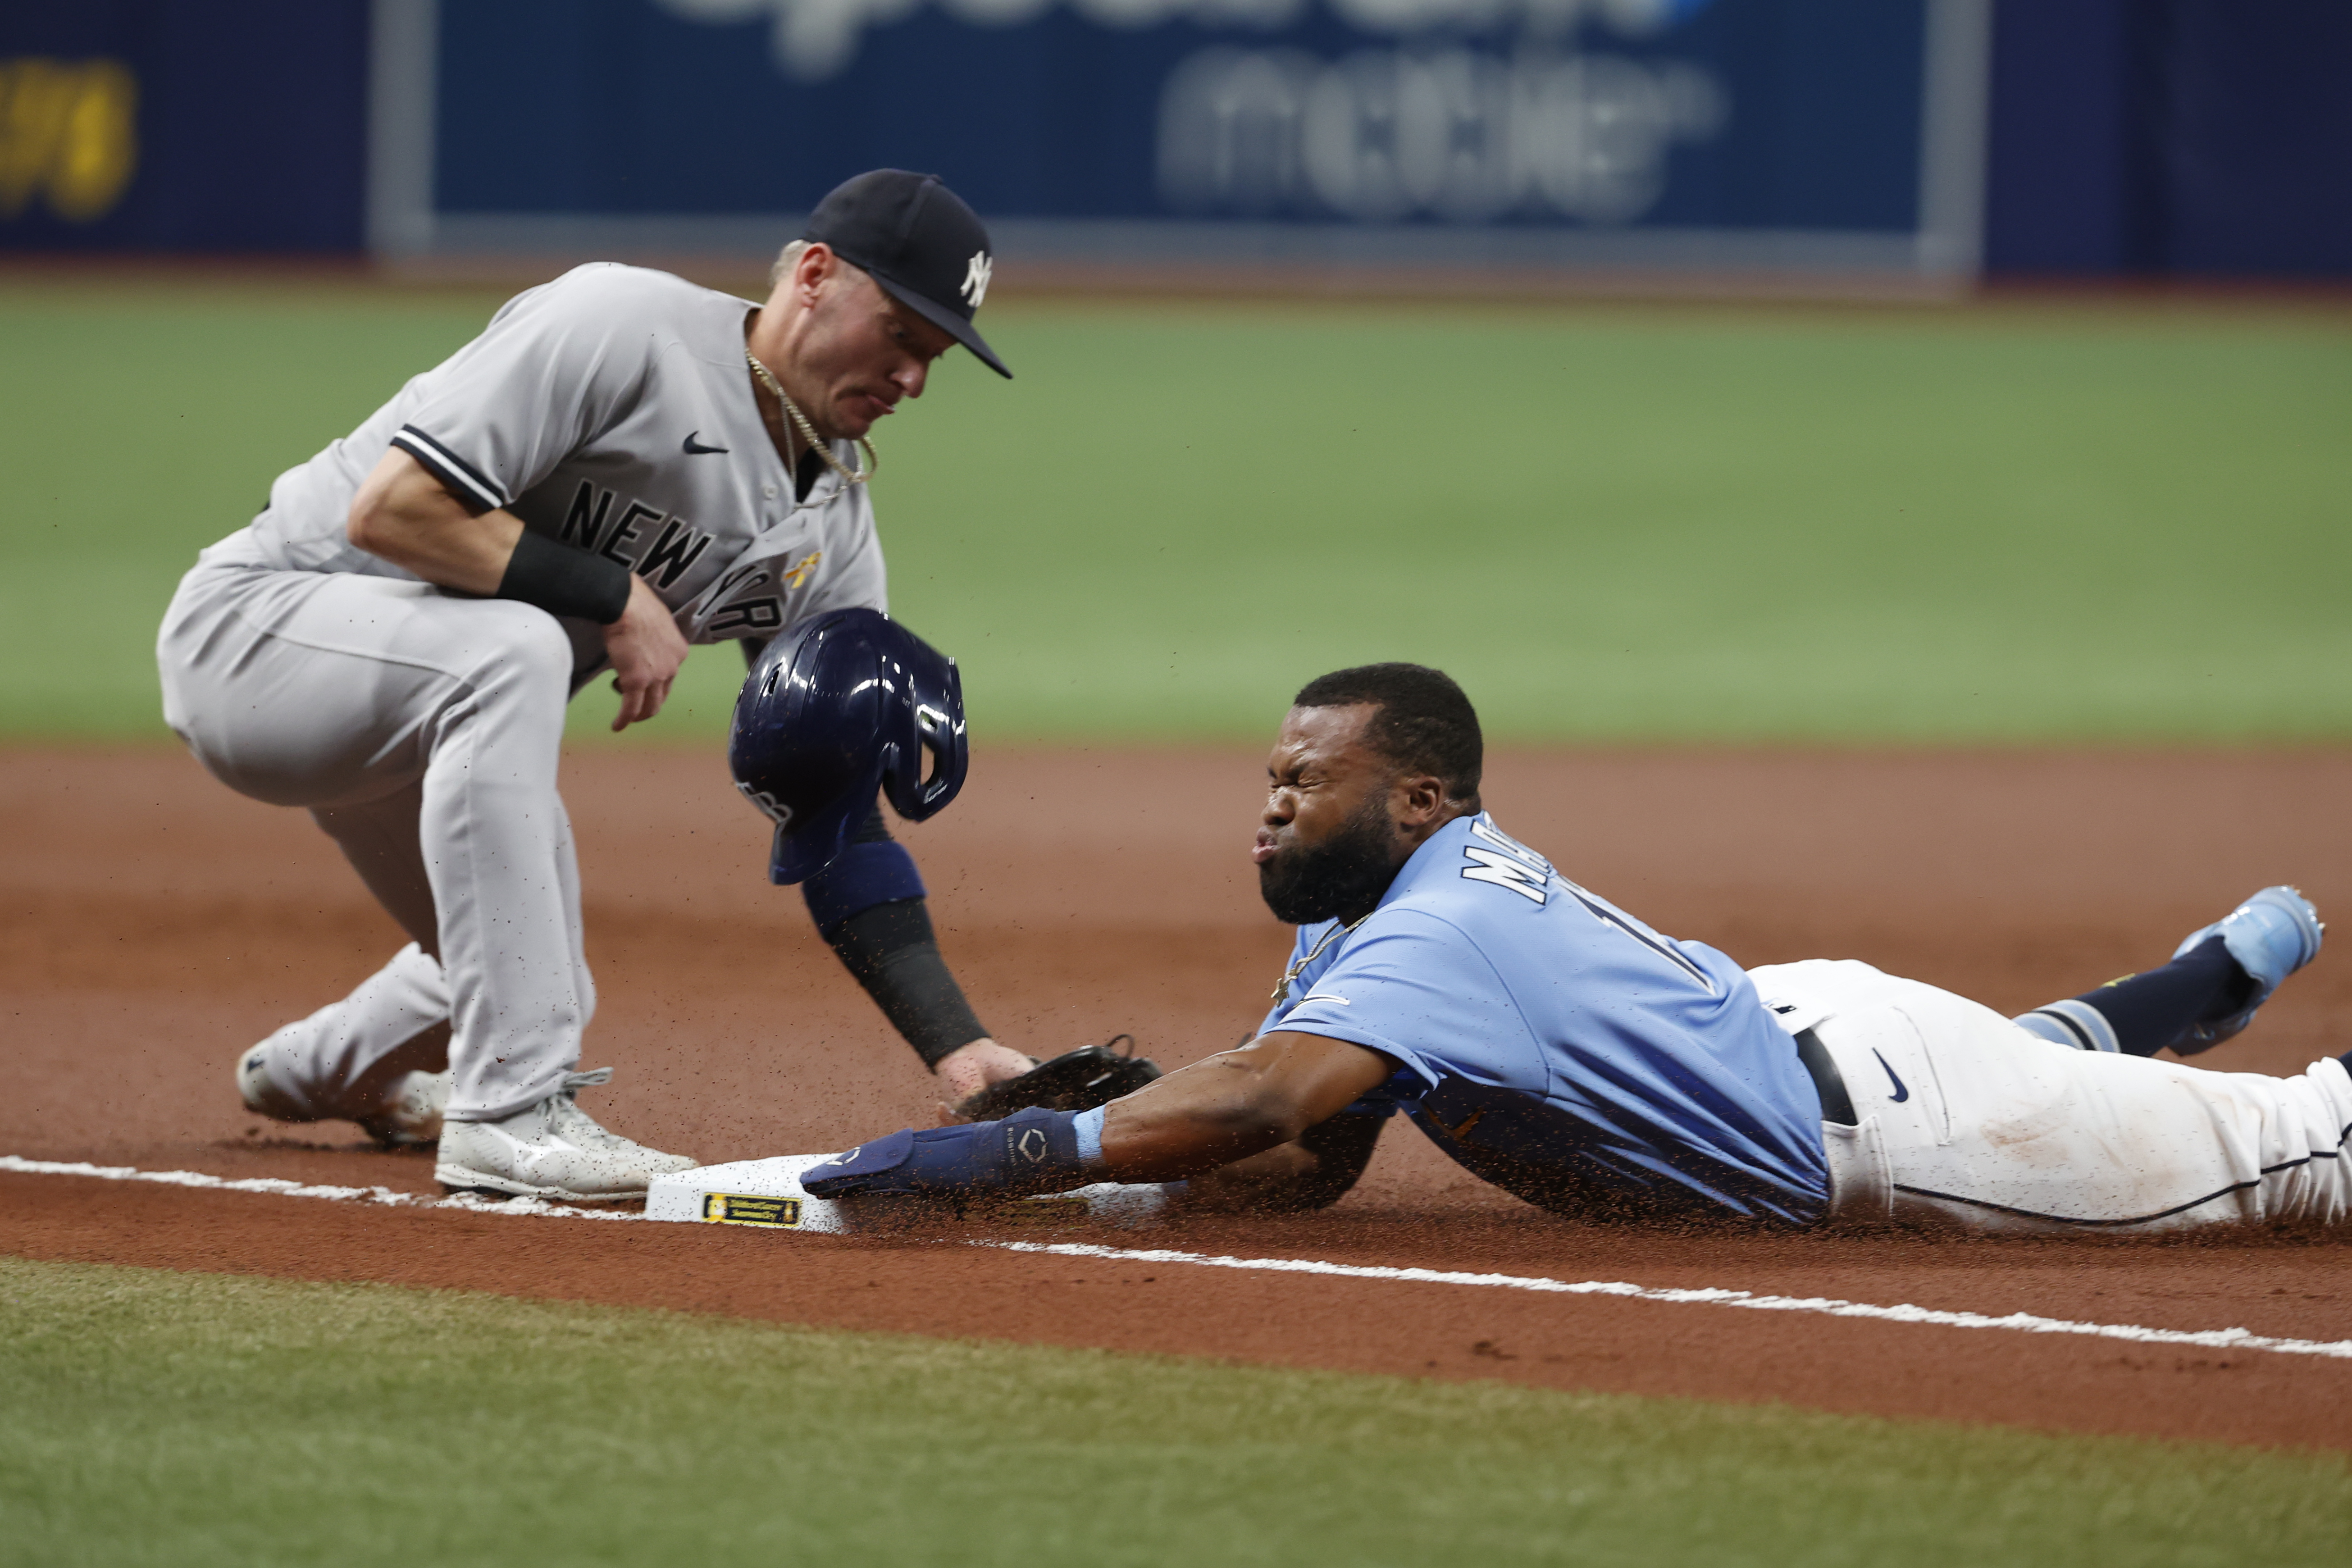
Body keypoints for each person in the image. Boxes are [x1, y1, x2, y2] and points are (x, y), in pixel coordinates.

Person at [156, 170, 1037, 1202]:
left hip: (409, 727)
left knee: (532, 968)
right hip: (258, 636)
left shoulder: (831, 533)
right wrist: (615, 594)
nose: (914, 379)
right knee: (516, 651)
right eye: (900, 334)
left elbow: (835, 810)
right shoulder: (623, 326)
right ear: (813, 276)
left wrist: (958, 1045)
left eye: (933, 357)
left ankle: (322, 1071)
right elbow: (393, 511)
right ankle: (508, 1115)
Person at [803, 664, 2352, 1235]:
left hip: (1903, 1121)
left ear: (1419, 795)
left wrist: (1025, 1155)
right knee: (2057, 1080)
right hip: (1804, 1021)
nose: (1266, 807)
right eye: (1266, 779)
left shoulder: (1448, 923)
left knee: (2306, 1152)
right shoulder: (1375, 917)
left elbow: (1274, 1103)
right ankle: (2170, 1001)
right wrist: (1136, 1169)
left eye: (1302, 780)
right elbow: (1317, 1155)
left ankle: (2164, 1040)